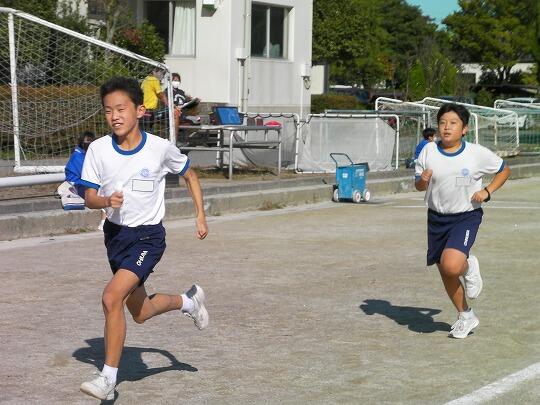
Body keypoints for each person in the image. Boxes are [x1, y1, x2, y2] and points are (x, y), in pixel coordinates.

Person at [78, 76, 209, 400]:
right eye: (108, 110)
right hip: (116, 237)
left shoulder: (159, 148)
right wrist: (105, 201)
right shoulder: (98, 150)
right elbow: (89, 197)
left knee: (111, 298)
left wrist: (200, 214)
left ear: (139, 110)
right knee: (140, 312)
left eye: (121, 109)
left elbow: (190, 174)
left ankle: (108, 379)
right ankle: (188, 301)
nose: (115, 116)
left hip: (148, 238)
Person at [415, 103, 510, 339]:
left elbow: (503, 169)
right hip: (436, 218)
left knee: (452, 266)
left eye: (453, 123)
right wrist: (423, 180)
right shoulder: (428, 151)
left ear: (464, 128)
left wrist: (487, 191)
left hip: (465, 216)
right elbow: (419, 186)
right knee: (446, 272)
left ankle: (468, 266)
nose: (446, 127)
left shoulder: (476, 153)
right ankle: (465, 315)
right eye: (442, 123)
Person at [64, 131, 106, 229]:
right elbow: (85, 174)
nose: (89, 143)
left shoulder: (88, 154)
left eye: (91, 141)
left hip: (83, 183)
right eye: (87, 141)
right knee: (104, 191)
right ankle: (104, 221)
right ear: (81, 142)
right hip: (77, 185)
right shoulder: (78, 155)